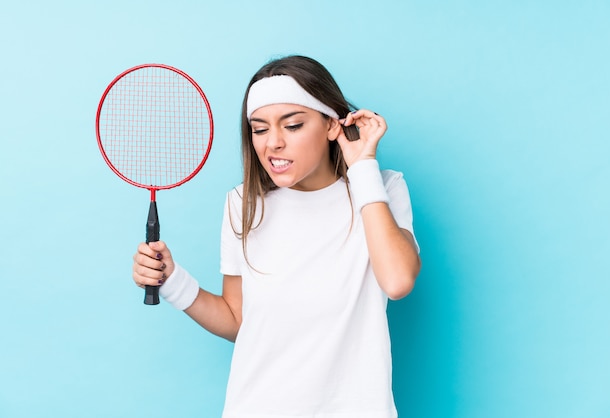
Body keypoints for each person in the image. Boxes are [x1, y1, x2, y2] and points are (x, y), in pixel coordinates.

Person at [132, 55, 421, 418]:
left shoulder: (383, 188)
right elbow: (238, 320)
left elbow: (397, 281)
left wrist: (362, 166)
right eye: (259, 129)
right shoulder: (243, 203)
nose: (273, 143)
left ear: (332, 125)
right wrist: (171, 280)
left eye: (294, 125)